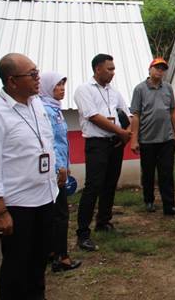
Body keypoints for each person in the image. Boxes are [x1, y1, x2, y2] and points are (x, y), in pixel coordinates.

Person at [0, 53, 58, 299]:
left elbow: (45, 142)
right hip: (17, 205)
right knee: (17, 267)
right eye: (32, 74)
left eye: (37, 72)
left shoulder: (36, 104)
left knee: (38, 263)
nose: (38, 78)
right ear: (12, 81)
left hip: (45, 197)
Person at [73, 53, 132, 251]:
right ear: (98, 69)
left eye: (114, 68)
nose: (113, 72)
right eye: (110, 68)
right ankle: (82, 233)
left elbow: (126, 112)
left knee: (110, 183)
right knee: (93, 186)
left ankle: (103, 222)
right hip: (97, 144)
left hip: (115, 143)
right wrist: (122, 133)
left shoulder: (113, 92)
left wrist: (127, 133)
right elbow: (93, 117)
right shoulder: (84, 90)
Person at [130, 58, 175, 216]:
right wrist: (134, 139)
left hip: (166, 139)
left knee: (166, 173)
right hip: (147, 139)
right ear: (150, 69)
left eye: (162, 69)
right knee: (148, 172)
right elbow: (136, 115)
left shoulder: (168, 88)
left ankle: (169, 206)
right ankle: (149, 200)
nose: (160, 71)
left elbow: (172, 112)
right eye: (157, 68)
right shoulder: (139, 89)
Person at [39, 72, 82, 272]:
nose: (62, 88)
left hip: (61, 167)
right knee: (60, 214)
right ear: (47, 87)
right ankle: (61, 258)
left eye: (63, 84)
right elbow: (48, 143)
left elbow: (62, 142)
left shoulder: (55, 109)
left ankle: (50, 251)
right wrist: (59, 168)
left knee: (54, 213)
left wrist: (68, 163)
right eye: (57, 85)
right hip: (55, 172)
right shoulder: (44, 111)